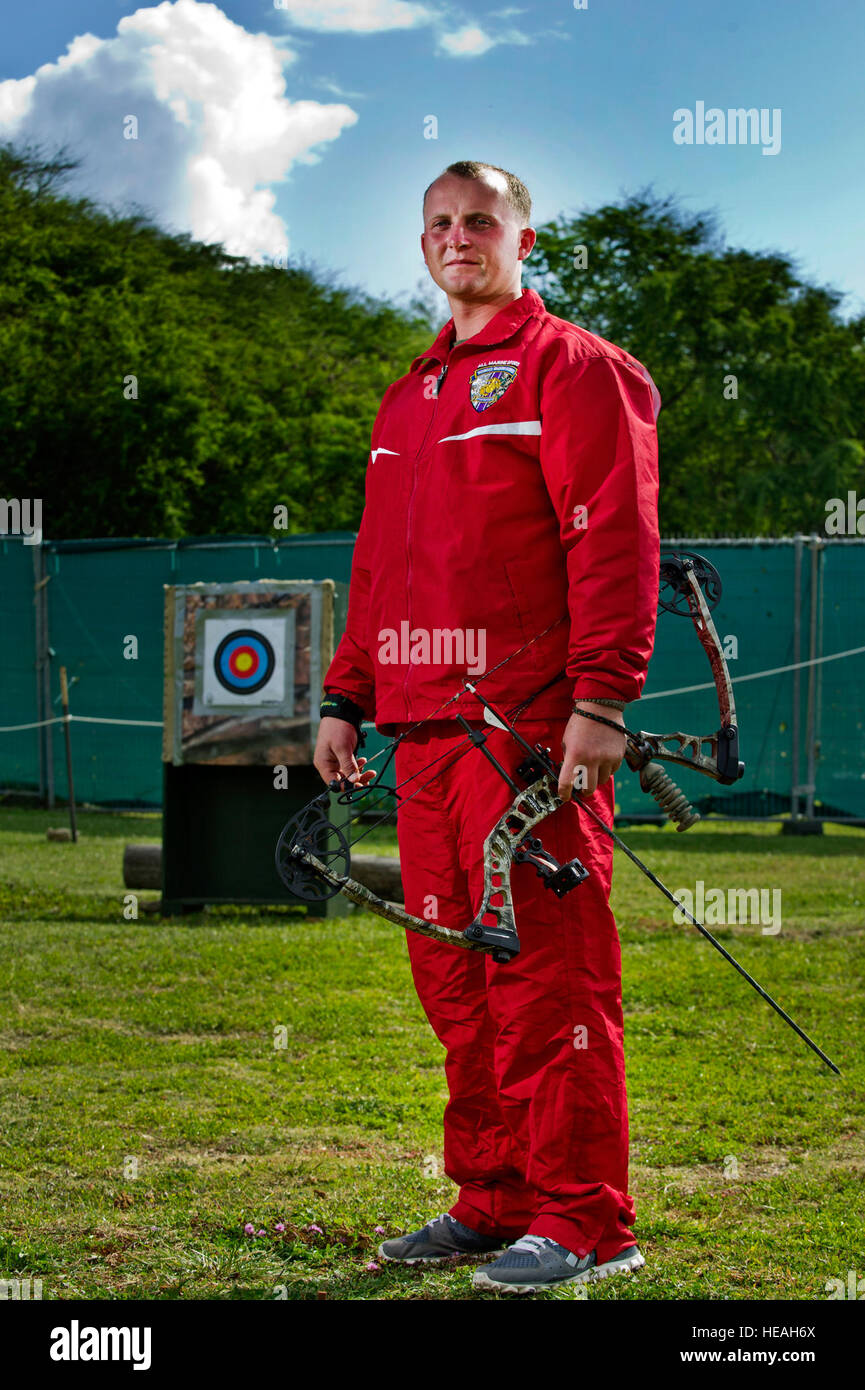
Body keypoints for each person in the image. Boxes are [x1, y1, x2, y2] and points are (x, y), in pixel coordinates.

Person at [313, 160, 661, 1293]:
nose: (458, 238)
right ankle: (493, 1200)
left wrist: (601, 700)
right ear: (423, 244)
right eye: (439, 224)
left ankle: (585, 1222)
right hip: (418, 735)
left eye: (479, 222)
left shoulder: (576, 369)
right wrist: (344, 693)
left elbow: (611, 540)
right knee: (455, 979)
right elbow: (381, 569)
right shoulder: (409, 394)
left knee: (549, 983)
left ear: (521, 238)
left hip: (526, 737)